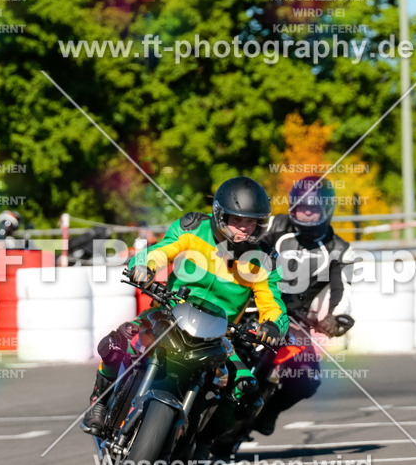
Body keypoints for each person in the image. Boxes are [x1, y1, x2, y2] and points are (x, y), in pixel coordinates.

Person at [81, 176, 289, 436]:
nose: (244, 229)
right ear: (220, 215)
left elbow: (274, 302)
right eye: (237, 220)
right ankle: (99, 403)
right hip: (166, 314)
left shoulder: (264, 259)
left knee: (245, 390)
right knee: (114, 344)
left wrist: (272, 324)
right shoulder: (192, 227)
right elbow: (161, 250)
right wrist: (144, 266)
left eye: (250, 222)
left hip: (220, 336)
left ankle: (203, 441)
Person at [251, 176, 355, 435]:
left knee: (308, 381)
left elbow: (343, 289)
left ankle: (269, 411)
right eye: (300, 208)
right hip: (252, 306)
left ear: (326, 210)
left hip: (295, 321)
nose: (305, 214)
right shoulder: (275, 225)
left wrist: (337, 317)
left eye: (312, 209)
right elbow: (244, 247)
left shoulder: (340, 249)